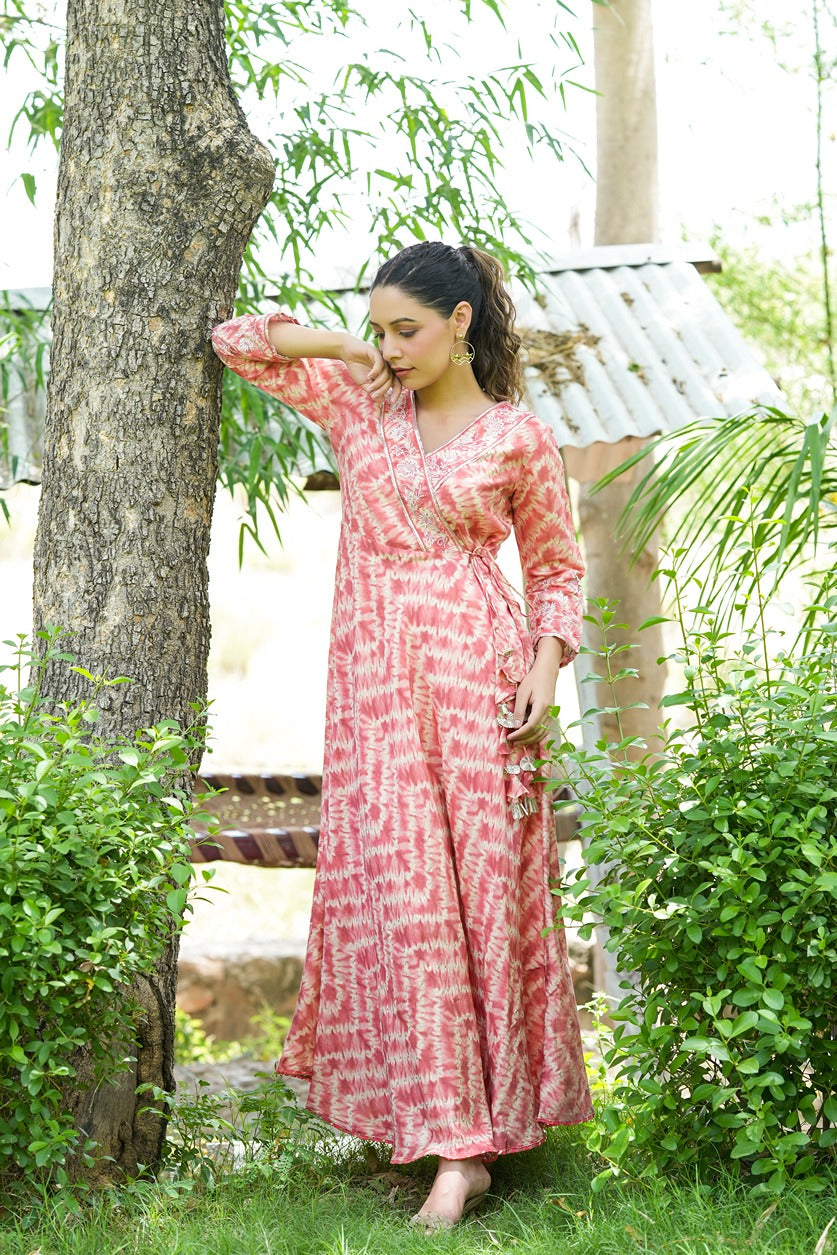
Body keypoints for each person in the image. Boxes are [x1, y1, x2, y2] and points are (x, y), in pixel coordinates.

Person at [211, 241, 593, 1230]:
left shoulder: (518, 438)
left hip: (483, 693)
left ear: (461, 322)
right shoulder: (361, 405)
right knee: (407, 906)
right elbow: (237, 341)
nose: (392, 348)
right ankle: (434, 1127)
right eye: (380, 329)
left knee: (479, 911)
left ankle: (469, 1147)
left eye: (407, 329)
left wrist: (546, 668)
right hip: (378, 701)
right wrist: (351, 343)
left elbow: (556, 566)